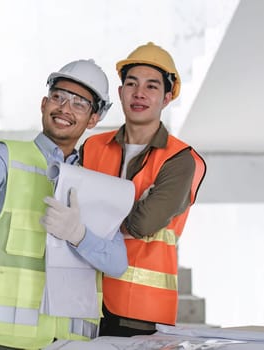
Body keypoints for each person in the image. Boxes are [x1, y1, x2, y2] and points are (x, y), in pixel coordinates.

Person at [0, 59, 129, 350]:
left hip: (71, 342)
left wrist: (81, 236)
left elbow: (118, 263)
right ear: (44, 104)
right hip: (7, 339)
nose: (65, 108)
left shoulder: (95, 184)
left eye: (79, 103)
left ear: (93, 119)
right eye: (58, 97)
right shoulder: (8, 157)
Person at [80, 42, 207, 337]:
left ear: (166, 97)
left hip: (141, 313)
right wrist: (131, 205)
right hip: (84, 298)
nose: (139, 93)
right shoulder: (93, 146)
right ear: (121, 92)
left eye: (151, 86)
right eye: (131, 84)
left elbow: (142, 223)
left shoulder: (180, 160)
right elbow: (70, 207)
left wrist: (89, 221)